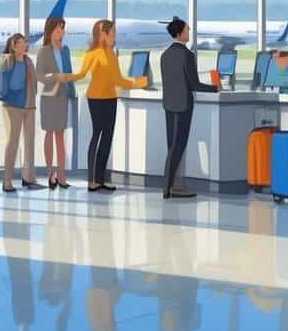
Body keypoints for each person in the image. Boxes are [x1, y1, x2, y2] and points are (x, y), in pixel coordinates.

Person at [71, 19, 147, 192]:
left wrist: (138, 82)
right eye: (112, 33)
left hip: (111, 98)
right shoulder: (92, 53)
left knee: (107, 139)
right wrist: (139, 82)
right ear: (102, 34)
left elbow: (118, 80)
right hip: (96, 99)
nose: (115, 36)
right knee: (97, 135)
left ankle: (100, 179)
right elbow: (82, 74)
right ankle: (91, 181)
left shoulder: (112, 54)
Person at [160, 16, 217, 199]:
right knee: (178, 146)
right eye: (187, 30)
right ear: (179, 33)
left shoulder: (165, 54)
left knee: (172, 146)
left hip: (169, 104)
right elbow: (194, 84)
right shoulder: (187, 55)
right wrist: (215, 87)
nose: (189, 32)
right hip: (184, 105)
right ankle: (168, 187)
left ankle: (171, 186)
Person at [37, 16, 77, 190]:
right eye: (58, 30)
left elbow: (69, 72)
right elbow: (39, 76)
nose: (61, 33)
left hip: (63, 96)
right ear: (50, 31)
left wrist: (71, 90)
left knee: (61, 136)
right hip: (49, 97)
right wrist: (55, 77)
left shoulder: (66, 50)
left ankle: (62, 175)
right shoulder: (43, 51)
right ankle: (50, 173)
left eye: (63, 29)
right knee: (49, 133)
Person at [0, 33, 42, 193]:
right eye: (21, 43)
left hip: (29, 106)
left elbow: (33, 82)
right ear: (13, 45)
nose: (24, 46)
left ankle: (29, 177)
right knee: (13, 142)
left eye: (25, 43)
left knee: (29, 141)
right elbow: (6, 84)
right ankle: (7, 181)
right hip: (12, 107)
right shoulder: (7, 61)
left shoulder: (28, 60)